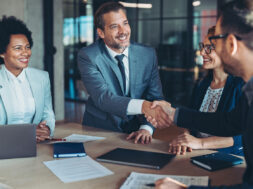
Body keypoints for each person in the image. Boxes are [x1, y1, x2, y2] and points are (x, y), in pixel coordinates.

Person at [146, 0, 253, 188]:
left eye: (213, 43)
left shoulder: (242, 87)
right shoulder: (248, 90)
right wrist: (173, 113)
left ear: (230, 44)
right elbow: (228, 123)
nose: (204, 51)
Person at [78, 2, 164, 144]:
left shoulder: (148, 54)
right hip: (98, 130)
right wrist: (143, 106)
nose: (123, 31)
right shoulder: (88, 56)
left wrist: (146, 128)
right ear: (101, 33)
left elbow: (155, 97)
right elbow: (103, 98)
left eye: (125, 23)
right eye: (114, 26)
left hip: (136, 132)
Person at [168, 26, 244, 156]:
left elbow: (240, 136)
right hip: (196, 153)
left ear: (225, 51)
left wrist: (199, 143)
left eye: (209, 48)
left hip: (229, 158)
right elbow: (191, 118)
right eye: (202, 46)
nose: (202, 52)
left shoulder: (241, 86)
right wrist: (185, 138)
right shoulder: (202, 84)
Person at [0, 16, 55, 142]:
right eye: (18, 48)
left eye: (27, 47)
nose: (25, 53)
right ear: (2, 52)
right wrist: (25, 133)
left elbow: (48, 113)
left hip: (35, 146)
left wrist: (46, 129)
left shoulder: (42, 78)